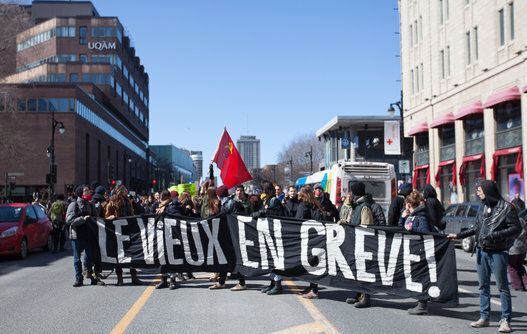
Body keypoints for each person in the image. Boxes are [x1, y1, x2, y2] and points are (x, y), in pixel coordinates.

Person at [448, 181, 522, 333]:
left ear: (488, 191)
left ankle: (506, 320)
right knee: (483, 286)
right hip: (481, 250)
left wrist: (495, 235)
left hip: (498, 252)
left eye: (480, 191)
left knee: (502, 287)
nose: (478, 193)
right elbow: (476, 228)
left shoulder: (507, 208)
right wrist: (458, 235)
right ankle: (484, 317)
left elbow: (516, 228)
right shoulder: (484, 207)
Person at [399, 190, 432, 315]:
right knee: (416, 276)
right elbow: (401, 228)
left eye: (406, 204)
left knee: (421, 276)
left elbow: (425, 231)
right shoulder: (411, 215)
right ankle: (420, 302)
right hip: (412, 249)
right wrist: (403, 218)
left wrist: (413, 229)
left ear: (409, 204)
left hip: (420, 250)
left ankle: (423, 304)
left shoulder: (421, 215)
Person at [105, 185, 143, 286]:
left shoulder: (129, 201)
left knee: (132, 253)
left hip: (128, 230)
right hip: (117, 231)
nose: (127, 191)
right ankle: (120, 278)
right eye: (125, 190)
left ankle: (134, 277)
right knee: (119, 254)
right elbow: (106, 215)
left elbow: (132, 213)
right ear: (120, 191)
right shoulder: (112, 201)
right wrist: (110, 216)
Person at [344, 182, 374, 308]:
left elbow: (366, 227)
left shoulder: (365, 207)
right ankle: (358, 294)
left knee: (363, 270)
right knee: (356, 270)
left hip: (363, 243)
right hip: (355, 242)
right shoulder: (357, 205)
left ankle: (365, 297)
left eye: (352, 192)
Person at [66, 185, 98, 287]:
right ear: (81, 193)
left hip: (88, 235)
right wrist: (83, 219)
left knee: (89, 258)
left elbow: (96, 218)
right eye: (86, 191)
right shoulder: (73, 205)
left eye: (89, 190)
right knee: (77, 259)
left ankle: (91, 275)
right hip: (77, 236)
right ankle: (79, 279)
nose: (89, 192)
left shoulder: (90, 204)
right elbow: (69, 220)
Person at [155, 190, 180, 290]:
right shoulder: (160, 206)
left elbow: (177, 218)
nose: (160, 201)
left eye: (161, 199)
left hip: (171, 235)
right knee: (162, 258)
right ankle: (163, 280)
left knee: (171, 258)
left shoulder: (172, 206)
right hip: (161, 235)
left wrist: (165, 213)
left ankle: (172, 281)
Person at [508, 217, 527, 291]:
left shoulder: (511, 220)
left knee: (512, 266)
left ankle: (517, 285)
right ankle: (525, 284)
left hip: (513, 247)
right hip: (523, 246)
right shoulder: (522, 220)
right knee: (520, 266)